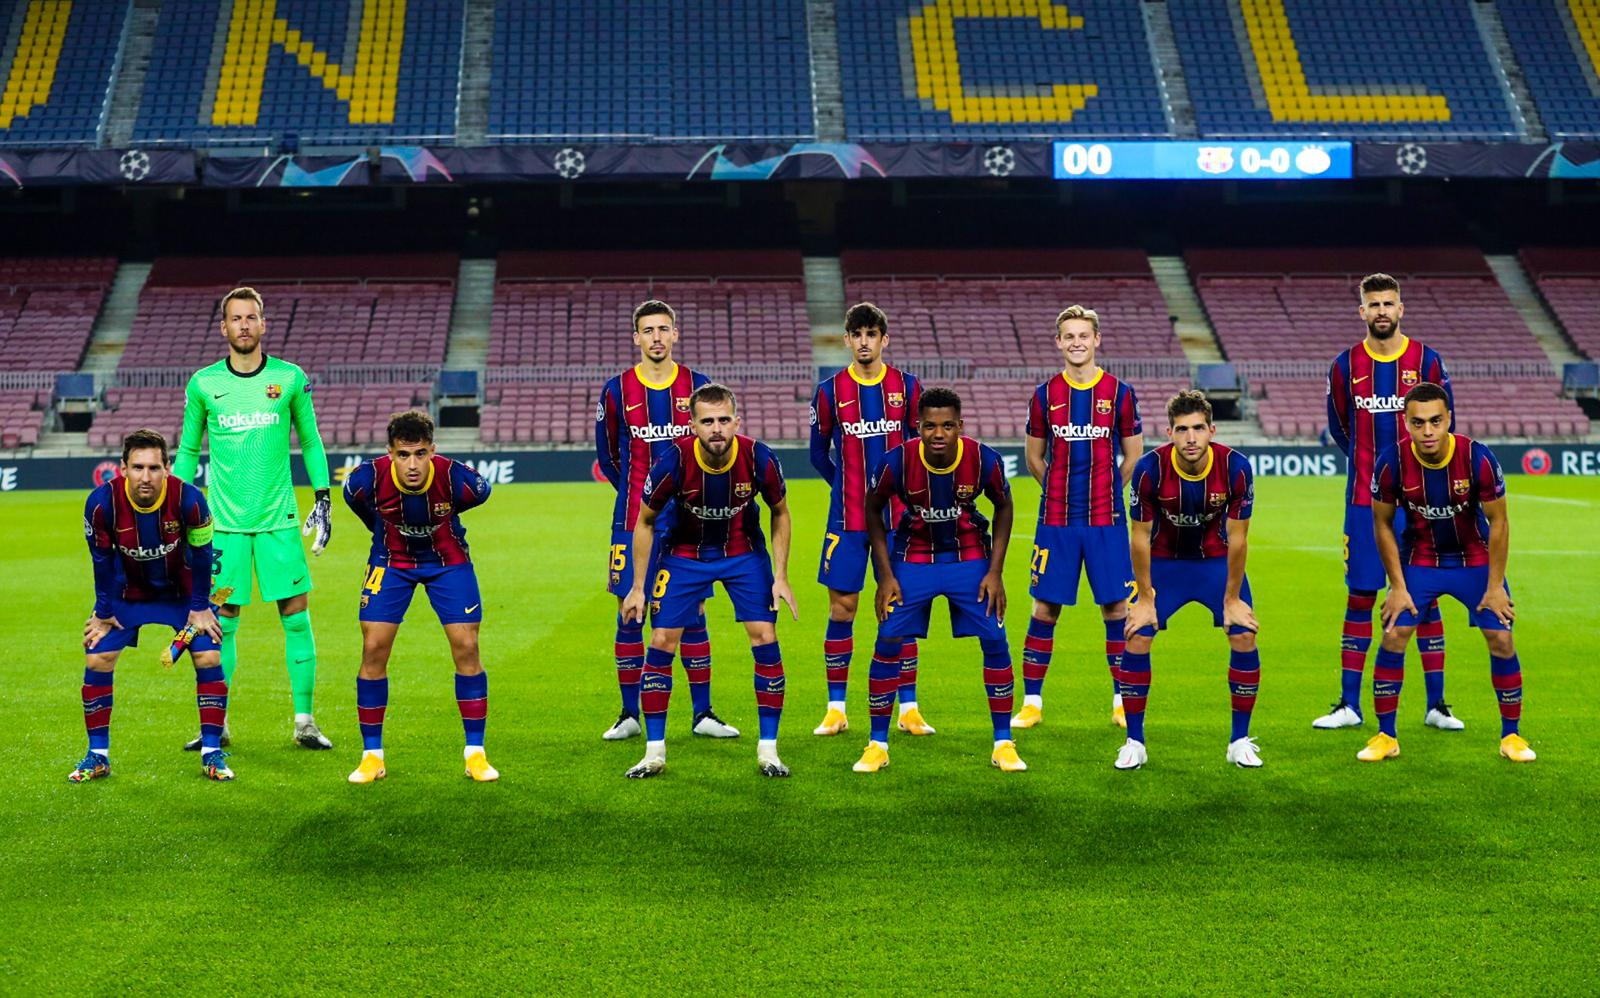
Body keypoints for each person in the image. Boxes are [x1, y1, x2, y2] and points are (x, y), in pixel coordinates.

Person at [172, 286, 333, 750]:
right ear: (223, 327)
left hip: (279, 521)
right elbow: (187, 450)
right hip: (223, 526)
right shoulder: (203, 384)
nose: (243, 325)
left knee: (296, 617)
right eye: (235, 318)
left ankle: (305, 721)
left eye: (251, 317)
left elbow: (311, 440)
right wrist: (174, 506)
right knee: (221, 622)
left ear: (263, 324)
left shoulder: (289, 378)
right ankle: (216, 724)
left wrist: (323, 497)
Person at [620, 384, 796, 778]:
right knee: (661, 641)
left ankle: (769, 751)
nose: (717, 428)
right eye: (708, 421)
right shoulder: (673, 461)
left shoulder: (760, 457)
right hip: (685, 554)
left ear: (737, 421)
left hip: (742, 552)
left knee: (765, 638)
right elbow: (645, 521)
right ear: (693, 425)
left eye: (723, 420)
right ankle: (653, 753)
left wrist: (781, 575)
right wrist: (638, 587)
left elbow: (780, 512)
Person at [1363, 383, 1534, 764]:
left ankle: (1512, 736)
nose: (1428, 431)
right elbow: (1382, 524)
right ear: (1406, 423)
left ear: (1449, 419)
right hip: (1421, 559)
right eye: (1418, 423)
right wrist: (1396, 586)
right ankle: (1386, 736)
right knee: (1394, 634)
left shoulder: (1477, 458)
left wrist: (1495, 587)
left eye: (1436, 421)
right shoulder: (1392, 462)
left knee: (1501, 638)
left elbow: (1500, 522)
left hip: (1475, 560)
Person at [856, 388, 1022, 774]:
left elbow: (1004, 506)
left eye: (947, 425)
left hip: (969, 558)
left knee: (995, 640)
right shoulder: (896, 461)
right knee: (888, 640)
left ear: (960, 425)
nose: (938, 433)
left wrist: (995, 572)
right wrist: (885, 575)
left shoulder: (984, 459)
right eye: (930, 426)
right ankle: (877, 744)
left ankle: (1003, 743)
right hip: (913, 558)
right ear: (918, 427)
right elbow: (872, 509)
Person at [1318, 273, 1457, 731]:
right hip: (1364, 502)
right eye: (1373, 304)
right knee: (1361, 595)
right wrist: (1375, 469)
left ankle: (1437, 706)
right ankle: (1348, 705)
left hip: (1420, 505)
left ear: (1401, 309)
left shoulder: (1427, 360)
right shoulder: (1344, 365)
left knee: (1426, 597)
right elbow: (1340, 427)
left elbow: (1446, 422)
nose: (1381, 311)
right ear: (1362, 311)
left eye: (1388, 303)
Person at [596, 300, 734, 741]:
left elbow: (714, 448)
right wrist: (641, 498)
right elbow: (608, 458)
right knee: (629, 610)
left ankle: (703, 714)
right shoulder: (616, 390)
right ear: (636, 337)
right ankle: (629, 714)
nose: (656, 337)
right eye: (648, 330)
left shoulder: (697, 385)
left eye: (663, 329)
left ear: (675, 333)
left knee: (692, 611)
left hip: (690, 521)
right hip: (633, 518)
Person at [340, 410, 498, 783]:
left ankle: (475, 754)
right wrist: (383, 533)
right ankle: (372, 757)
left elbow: (479, 495)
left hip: (448, 562)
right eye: (403, 455)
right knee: (373, 647)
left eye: (420, 454)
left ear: (432, 450)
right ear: (390, 453)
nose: (412, 465)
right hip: (390, 561)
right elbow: (362, 508)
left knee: (467, 646)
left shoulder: (459, 479)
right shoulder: (365, 480)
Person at [70, 429, 233, 783]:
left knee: (209, 656)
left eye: (154, 468)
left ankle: (212, 752)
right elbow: (101, 560)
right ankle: (98, 756)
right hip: (126, 592)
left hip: (182, 594)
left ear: (167, 468)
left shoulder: (190, 500)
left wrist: (200, 607)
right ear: (123, 468)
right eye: (138, 467)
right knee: (97, 656)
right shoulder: (101, 503)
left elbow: (203, 555)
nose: (146, 477)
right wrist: (103, 612)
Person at [1121, 392, 1262, 771]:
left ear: (1212, 430)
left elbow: (1239, 538)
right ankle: (1134, 741)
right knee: (1136, 636)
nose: (1191, 438)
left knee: (1244, 634)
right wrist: (1145, 598)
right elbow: (1139, 537)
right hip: (1163, 564)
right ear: (1169, 433)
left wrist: (1232, 599)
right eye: (1182, 430)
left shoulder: (1236, 468)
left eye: (1198, 428)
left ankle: (1239, 740)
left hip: (1215, 563)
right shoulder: (1149, 470)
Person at [1018, 305, 1142, 730]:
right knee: (1044, 608)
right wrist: (1058, 492)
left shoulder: (1120, 392)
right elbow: (1034, 459)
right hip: (1056, 521)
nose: (1076, 343)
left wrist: (1106, 493)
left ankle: (1121, 701)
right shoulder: (1044, 395)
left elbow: (1133, 455)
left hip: (1106, 520)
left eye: (1083, 335)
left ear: (1096, 339)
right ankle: (1032, 703)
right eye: (1069, 336)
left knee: (1116, 608)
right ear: (1058, 342)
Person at [809, 302, 927, 738]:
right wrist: (846, 487)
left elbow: (919, 448)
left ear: (884, 339)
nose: (863, 342)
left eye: (871, 334)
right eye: (856, 334)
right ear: (846, 340)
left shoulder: (907, 387)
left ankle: (908, 708)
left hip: (900, 520)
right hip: (847, 519)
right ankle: (836, 709)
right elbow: (818, 453)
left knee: (901, 609)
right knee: (843, 608)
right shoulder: (829, 391)